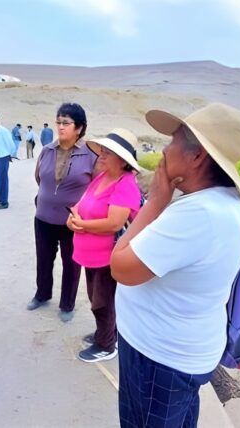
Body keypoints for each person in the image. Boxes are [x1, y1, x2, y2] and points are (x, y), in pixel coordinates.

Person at [110, 103, 240, 427]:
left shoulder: (198, 215)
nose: (164, 149)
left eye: (174, 140)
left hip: (158, 358)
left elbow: (120, 267)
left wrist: (155, 201)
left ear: (197, 156)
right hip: (177, 351)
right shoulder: (227, 203)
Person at [67, 128, 142, 363]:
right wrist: (72, 218)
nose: (102, 154)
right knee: (96, 296)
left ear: (123, 160)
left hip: (108, 256)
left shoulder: (125, 184)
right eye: (103, 150)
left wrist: (82, 225)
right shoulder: (102, 177)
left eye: (109, 152)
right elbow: (80, 204)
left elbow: (114, 223)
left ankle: (106, 344)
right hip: (91, 254)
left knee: (102, 301)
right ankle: (107, 333)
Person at [28, 103, 97, 322]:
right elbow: (39, 177)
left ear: (79, 128)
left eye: (66, 123)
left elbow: (96, 187)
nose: (60, 126)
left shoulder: (90, 154)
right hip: (44, 217)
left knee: (71, 263)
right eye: (58, 122)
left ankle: (67, 304)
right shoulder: (47, 150)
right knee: (43, 259)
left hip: (73, 222)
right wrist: (50, 196)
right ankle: (42, 294)